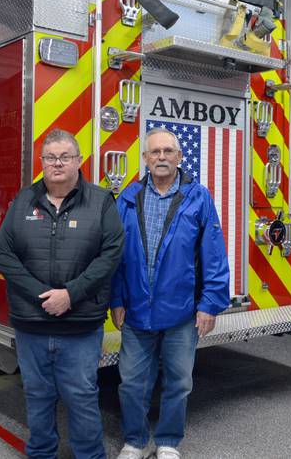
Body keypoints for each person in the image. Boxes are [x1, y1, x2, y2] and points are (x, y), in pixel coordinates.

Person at [0, 129, 124, 459]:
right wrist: (42, 295)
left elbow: (110, 254)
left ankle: (91, 456)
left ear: (79, 161)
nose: (57, 163)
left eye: (65, 157)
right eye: (50, 157)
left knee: (81, 396)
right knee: (37, 395)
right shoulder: (23, 200)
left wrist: (70, 294)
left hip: (80, 325)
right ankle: (41, 453)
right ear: (42, 162)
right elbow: (4, 254)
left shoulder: (100, 202)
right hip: (31, 325)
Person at [110, 127, 230, 459]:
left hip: (181, 313)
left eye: (168, 151)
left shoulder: (199, 197)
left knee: (179, 383)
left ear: (179, 157)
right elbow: (115, 254)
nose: (161, 157)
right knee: (132, 384)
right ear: (145, 159)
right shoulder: (128, 198)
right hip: (136, 311)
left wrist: (209, 303)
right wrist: (117, 300)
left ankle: (167, 442)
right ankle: (135, 441)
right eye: (155, 152)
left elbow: (214, 254)